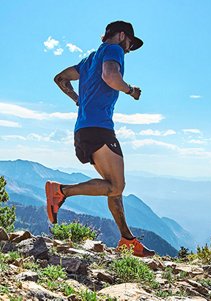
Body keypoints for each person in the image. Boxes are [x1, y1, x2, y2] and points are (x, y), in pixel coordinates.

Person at [46, 20, 155, 257]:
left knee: (113, 187)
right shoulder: (113, 50)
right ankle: (61, 191)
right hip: (100, 128)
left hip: (83, 130)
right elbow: (110, 76)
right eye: (130, 45)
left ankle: (127, 240)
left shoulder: (88, 61)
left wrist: (77, 99)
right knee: (116, 186)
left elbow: (60, 78)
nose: (128, 50)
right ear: (122, 36)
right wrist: (130, 91)